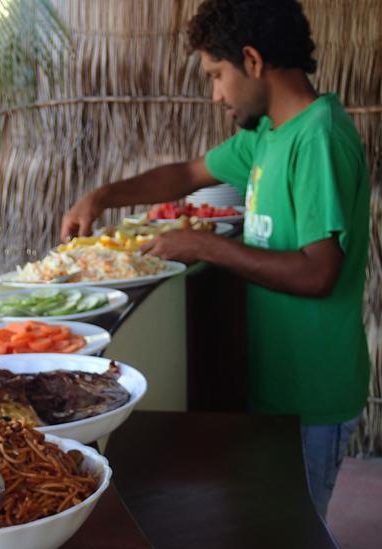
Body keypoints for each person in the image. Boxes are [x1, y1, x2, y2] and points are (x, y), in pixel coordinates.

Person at [60, 0, 370, 520]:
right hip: (278, 385)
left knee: (295, 542)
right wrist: (101, 196)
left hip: (313, 394)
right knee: (273, 529)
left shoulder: (317, 137)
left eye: (217, 74)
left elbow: (320, 272)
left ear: (251, 60)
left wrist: (204, 246)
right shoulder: (268, 135)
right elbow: (187, 173)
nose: (216, 94)